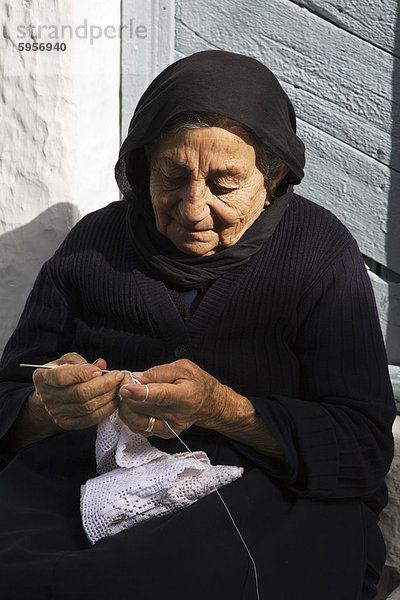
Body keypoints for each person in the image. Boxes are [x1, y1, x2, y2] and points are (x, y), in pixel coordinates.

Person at [0, 50, 395, 600]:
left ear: (272, 175)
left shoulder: (319, 255)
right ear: (143, 167)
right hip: (86, 481)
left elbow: (363, 445)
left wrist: (224, 409)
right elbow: (10, 394)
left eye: (224, 183)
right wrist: (48, 408)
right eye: (173, 175)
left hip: (261, 488)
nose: (192, 207)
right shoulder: (94, 246)